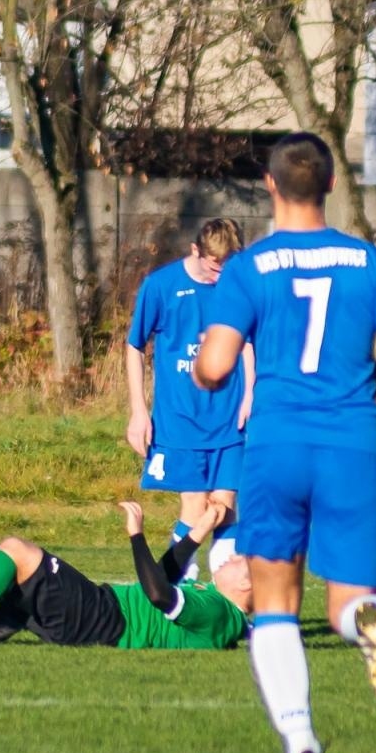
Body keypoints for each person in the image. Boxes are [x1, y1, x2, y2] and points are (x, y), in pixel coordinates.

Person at [195, 132, 376, 753]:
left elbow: (214, 364)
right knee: (349, 601)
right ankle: (368, 622)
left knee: (275, 602)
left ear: (269, 186)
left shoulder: (249, 267)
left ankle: (302, 745)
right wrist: (368, 384)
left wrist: (209, 376)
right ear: (329, 184)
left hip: (277, 445)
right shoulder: (367, 261)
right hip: (352, 441)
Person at [0, 501, 249, 652]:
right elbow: (165, 578)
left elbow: (157, 594)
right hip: (101, 612)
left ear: (247, 585)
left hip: (104, 622)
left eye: (243, 562)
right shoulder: (216, 604)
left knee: (17, 552)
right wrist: (200, 529)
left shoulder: (220, 614)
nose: (233, 558)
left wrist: (136, 535)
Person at [126, 219, 252, 580]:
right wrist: (138, 412)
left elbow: (248, 343)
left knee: (225, 508)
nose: (220, 273)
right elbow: (134, 346)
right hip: (180, 419)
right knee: (196, 507)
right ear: (195, 251)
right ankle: (178, 589)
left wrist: (251, 396)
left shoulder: (237, 286)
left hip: (230, 418)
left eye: (227, 264)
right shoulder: (161, 287)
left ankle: (226, 603)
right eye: (214, 265)